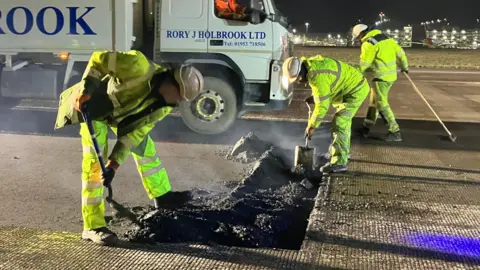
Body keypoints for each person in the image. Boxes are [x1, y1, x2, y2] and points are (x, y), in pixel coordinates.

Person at [54, 50, 204, 246]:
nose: (178, 103)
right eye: (179, 96)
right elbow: (100, 59)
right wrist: (86, 89)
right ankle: (92, 226)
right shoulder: (138, 65)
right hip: (94, 106)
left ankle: (163, 196)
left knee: (145, 148)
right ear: (171, 82)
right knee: (94, 166)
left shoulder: (164, 106)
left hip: (121, 115)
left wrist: (113, 166)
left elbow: (134, 134)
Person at [282, 56, 370, 173]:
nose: (298, 82)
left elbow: (322, 106)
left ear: (301, 74)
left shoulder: (317, 78)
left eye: (297, 79)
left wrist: (312, 126)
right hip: (348, 88)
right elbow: (326, 84)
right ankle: (343, 152)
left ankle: (340, 162)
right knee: (342, 122)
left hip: (355, 91)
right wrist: (316, 97)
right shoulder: (312, 66)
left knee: (340, 122)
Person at [351, 24, 409, 141]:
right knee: (374, 103)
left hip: (380, 78)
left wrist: (354, 76)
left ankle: (395, 131)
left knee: (381, 103)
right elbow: (401, 54)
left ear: (361, 34)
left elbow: (364, 64)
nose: (358, 41)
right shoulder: (386, 38)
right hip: (391, 77)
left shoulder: (369, 44)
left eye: (357, 38)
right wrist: (404, 67)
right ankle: (366, 128)